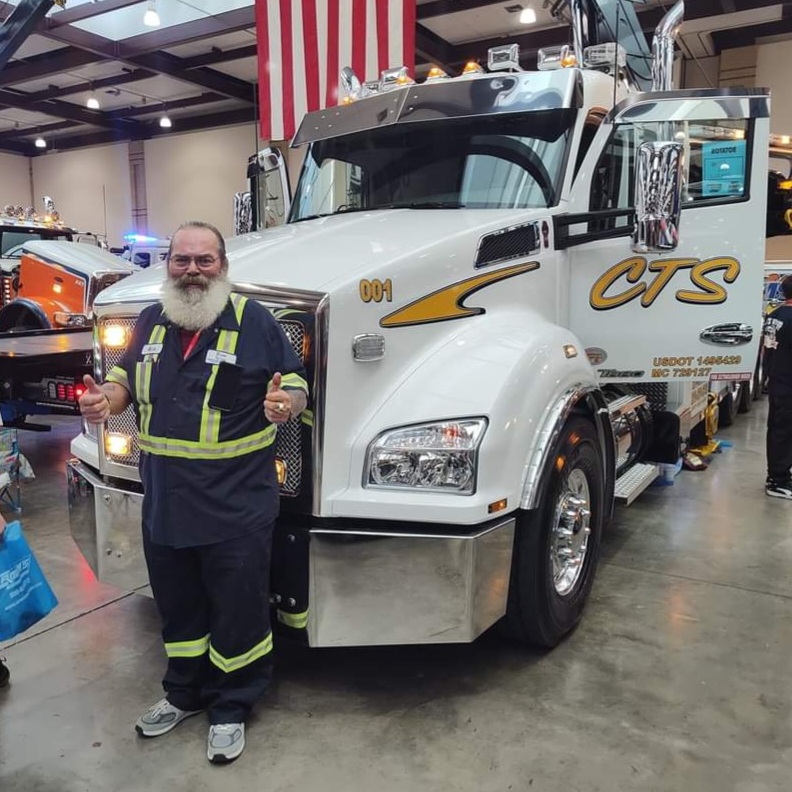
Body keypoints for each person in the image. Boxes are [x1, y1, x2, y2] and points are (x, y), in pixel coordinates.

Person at [78, 221, 308, 763]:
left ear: (222, 266)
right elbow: (127, 384)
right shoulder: (153, 321)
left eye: (204, 261)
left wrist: (286, 404)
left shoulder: (255, 321)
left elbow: (294, 380)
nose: (192, 272)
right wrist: (104, 400)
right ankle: (183, 693)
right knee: (177, 609)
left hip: (236, 504)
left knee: (237, 611)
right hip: (167, 501)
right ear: (169, 266)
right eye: (182, 261)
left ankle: (231, 706)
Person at [763, 273, 792, 499]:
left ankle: (777, 475)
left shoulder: (774, 315)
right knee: (784, 432)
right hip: (788, 383)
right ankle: (778, 481)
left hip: (776, 379)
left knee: (777, 429)